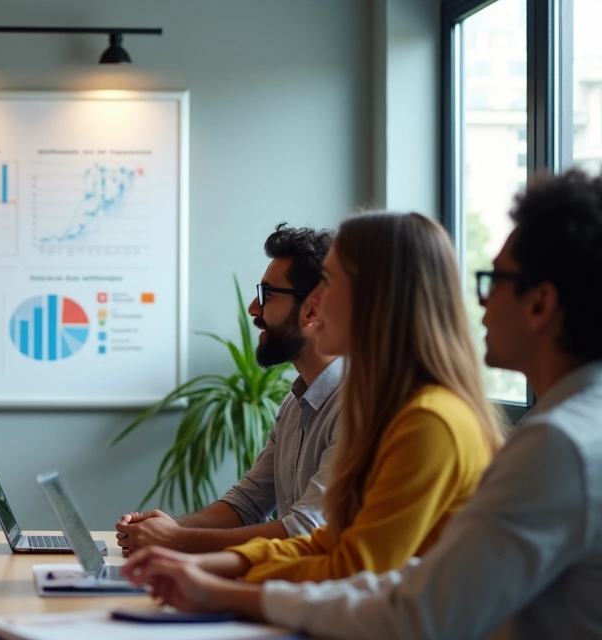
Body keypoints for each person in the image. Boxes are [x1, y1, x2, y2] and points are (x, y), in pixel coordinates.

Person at [123, 169, 602, 639]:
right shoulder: (429, 413)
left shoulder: (495, 432)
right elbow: (346, 548)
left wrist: (217, 585)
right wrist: (209, 568)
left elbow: (378, 585)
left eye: (328, 283)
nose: (316, 305)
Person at [130, 211, 505, 585]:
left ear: (374, 299)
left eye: (329, 282)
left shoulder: (425, 420)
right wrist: (192, 562)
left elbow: (348, 566)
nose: (317, 304)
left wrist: (204, 570)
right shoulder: (335, 405)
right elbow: (327, 543)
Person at [116, 223, 343, 556]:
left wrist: (175, 540)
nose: (254, 308)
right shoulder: (294, 406)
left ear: (311, 310)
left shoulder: (357, 406)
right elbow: (246, 504)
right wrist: (165, 528)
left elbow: (304, 533)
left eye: (266, 295)